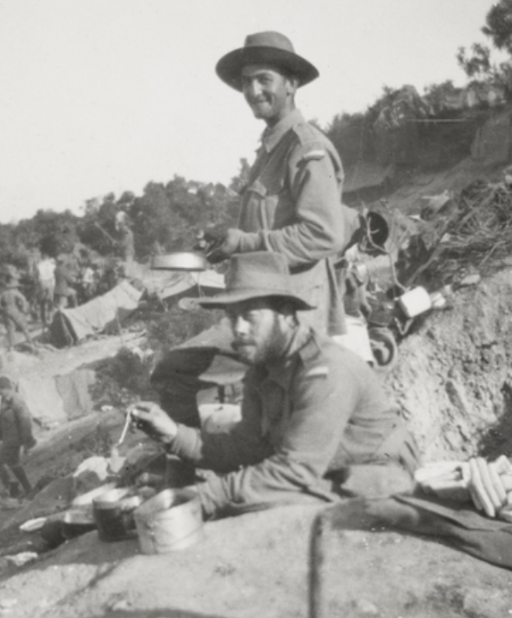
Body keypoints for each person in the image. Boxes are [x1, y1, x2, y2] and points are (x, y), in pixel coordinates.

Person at [150, 31, 363, 428]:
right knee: (258, 426)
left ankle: (184, 477)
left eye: (264, 79)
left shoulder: (305, 148)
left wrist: (244, 241)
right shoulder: (270, 149)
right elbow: (267, 230)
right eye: (246, 82)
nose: (253, 90)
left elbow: (323, 234)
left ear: (291, 84)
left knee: (172, 371)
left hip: (292, 316)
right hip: (260, 308)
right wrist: (227, 242)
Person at [131, 252, 417, 520]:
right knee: (245, 503)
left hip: (374, 472)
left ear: (286, 314)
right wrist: (172, 434)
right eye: (232, 317)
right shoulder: (262, 369)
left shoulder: (326, 370)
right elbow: (246, 448)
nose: (239, 329)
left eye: (250, 316)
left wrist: (202, 497)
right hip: (321, 469)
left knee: (258, 508)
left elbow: (295, 470)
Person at [0, 376, 37, 498]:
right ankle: (26, 488)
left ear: (6, 388)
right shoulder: (4, 400)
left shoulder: (16, 400)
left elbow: (25, 422)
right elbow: (2, 421)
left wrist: (28, 443)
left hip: (14, 439)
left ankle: (12, 488)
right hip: (8, 438)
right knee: (13, 463)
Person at [0, 275, 35, 350]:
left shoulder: (2, 292)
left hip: (6, 311)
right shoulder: (15, 292)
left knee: (11, 330)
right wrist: (23, 308)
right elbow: (23, 299)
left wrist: (1, 309)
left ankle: (12, 347)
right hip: (15, 310)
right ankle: (31, 343)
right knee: (24, 327)